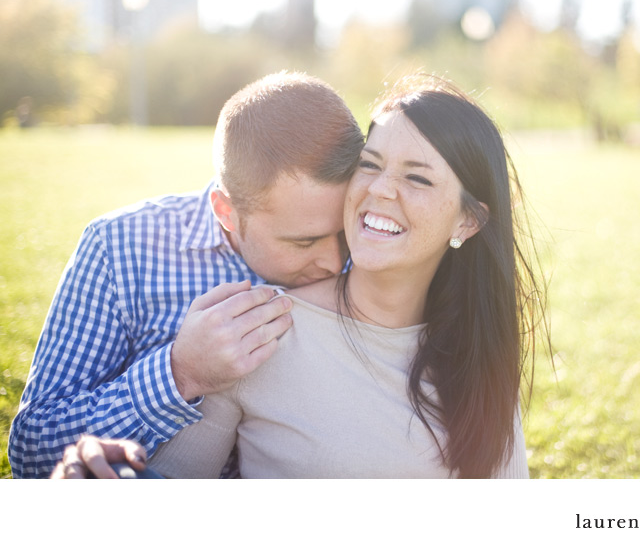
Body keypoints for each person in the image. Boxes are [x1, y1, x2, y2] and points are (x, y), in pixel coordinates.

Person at [143, 75, 549, 478]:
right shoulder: (265, 328)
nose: (381, 190)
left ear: (467, 221)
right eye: (369, 165)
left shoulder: (477, 351)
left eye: (417, 177)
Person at [9, 71, 365, 478]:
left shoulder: (373, 248)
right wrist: (181, 373)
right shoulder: (120, 248)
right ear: (226, 211)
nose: (337, 264)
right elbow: (32, 450)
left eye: (345, 232)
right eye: (305, 242)